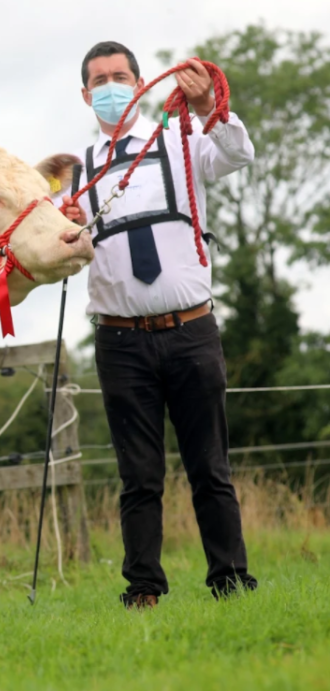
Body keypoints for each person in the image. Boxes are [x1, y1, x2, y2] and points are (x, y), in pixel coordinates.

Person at [57, 41, 259, 609]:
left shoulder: (183, 138)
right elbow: (60, 249)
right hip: (120, 340)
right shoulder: (74, 172)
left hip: (192, 330)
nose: (111, 87)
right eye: (100, 80)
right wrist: (66, 228)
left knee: (210, 467)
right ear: (85, 94)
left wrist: (209, 108)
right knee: (139, 476)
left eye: (121, 76)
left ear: (142, 82)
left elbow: (238, 154)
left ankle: (230, 578)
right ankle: (143, 585)